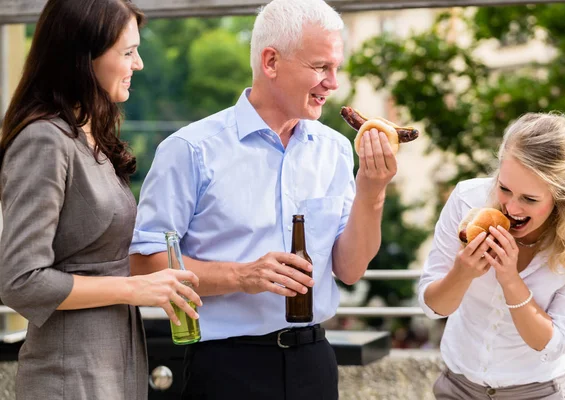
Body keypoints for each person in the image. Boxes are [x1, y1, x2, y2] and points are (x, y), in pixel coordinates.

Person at [129, 0, 399, 398]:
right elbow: (144, 264)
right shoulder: (190, 149)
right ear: (271, 62)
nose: (333, 83)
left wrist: (373, 191)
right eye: (321, 67)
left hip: (315, 363)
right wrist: (242, 276)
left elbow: (351, 268)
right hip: (225, 367)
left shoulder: (337, 150)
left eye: (335, 68)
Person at [0, 1, 201, 399]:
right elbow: (20, 282)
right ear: (82, 57)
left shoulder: (89, 136)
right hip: (69, 375)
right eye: (128, 52)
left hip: (115, 363)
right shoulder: (44, 140)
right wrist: (133, 288)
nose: (138, 64)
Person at [418, 112, 565, 399]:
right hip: (458, 387)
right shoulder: (467, 200)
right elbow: (432, 307)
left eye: (529, 199)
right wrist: (462, 273)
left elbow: (552, 343)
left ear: (561, 198)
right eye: (504, 188)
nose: (511, 208)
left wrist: (510, 280)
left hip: (542, 391)